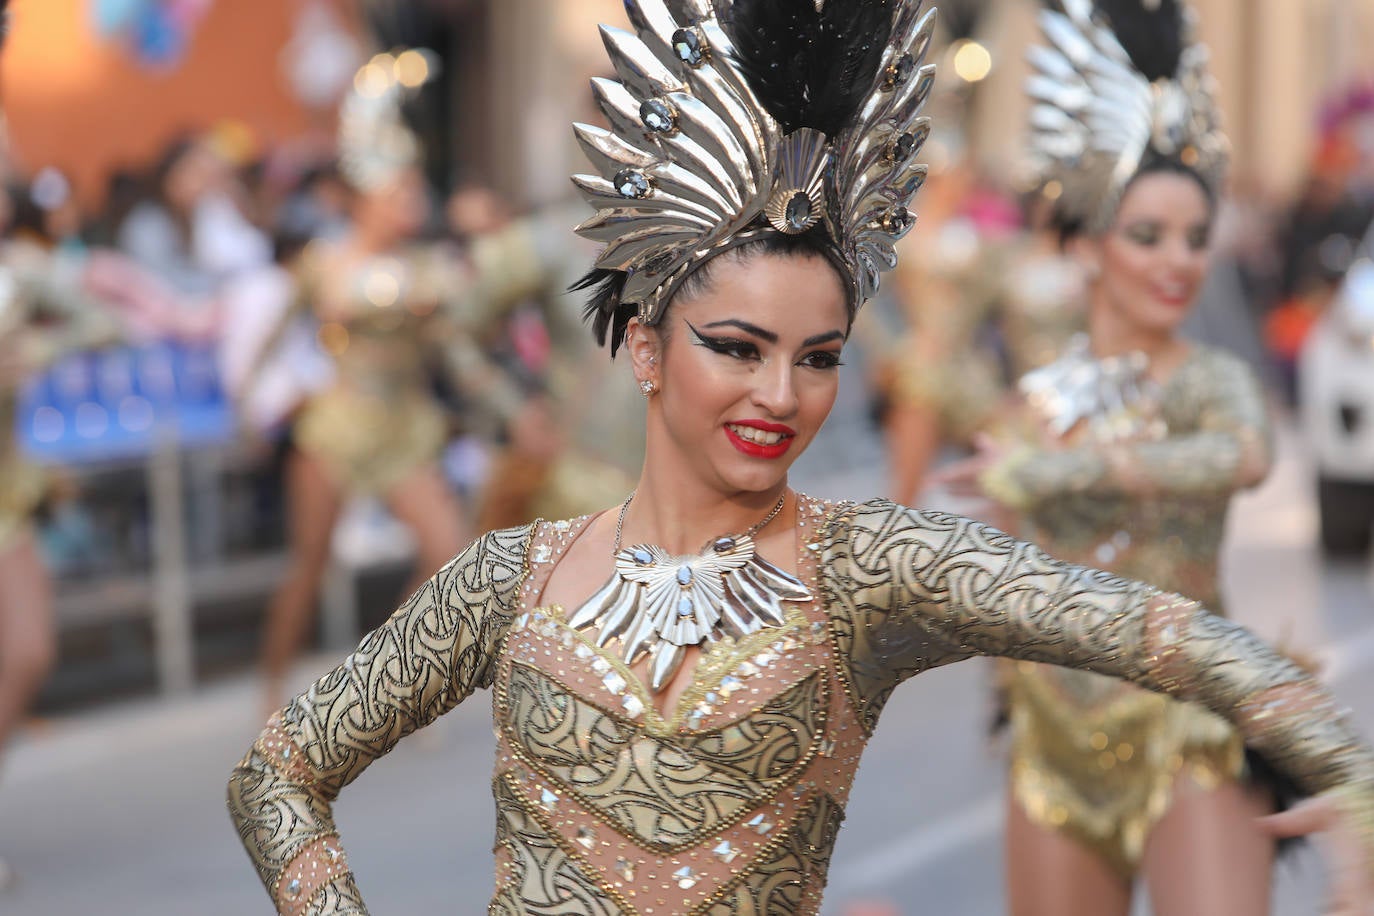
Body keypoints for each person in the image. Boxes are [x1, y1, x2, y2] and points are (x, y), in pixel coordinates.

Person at [228, 2, 1374, 914]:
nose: (780, 396)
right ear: (646, 346)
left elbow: (1162, 632)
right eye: (738, 348)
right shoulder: (503, 579)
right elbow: (277, 774)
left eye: (818, 357)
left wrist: (1345, 773)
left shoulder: (869, 569)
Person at [932, 2, 1303, 913]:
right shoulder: (1035, 403)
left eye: (1196, 238)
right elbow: (1002, 565)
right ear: (1092, 244)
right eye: (1148, 236)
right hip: (1054, 738)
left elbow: (1244, 457)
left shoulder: (1210, 379)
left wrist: (1066, 470)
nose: (1179, 262)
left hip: (1190, 724)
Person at [247, 54, 554, 710]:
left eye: (415, 192)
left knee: (449, 555)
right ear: (369, 197)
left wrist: (512, 408)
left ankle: (384, 677)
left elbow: (461, 353)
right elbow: (271, 338)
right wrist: (252, 405)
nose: (414, 202)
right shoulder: (325, 263)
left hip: (406, 427)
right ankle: (270, 687)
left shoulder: (431, 269)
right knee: (309, 565)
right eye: (401, 193)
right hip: (336, 427)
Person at [0, 182, 121, 890]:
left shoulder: (20, 273)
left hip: (6, 495)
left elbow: (106, 323)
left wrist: (43, 345)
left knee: (29, 650)